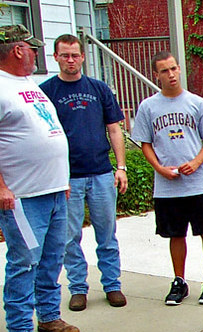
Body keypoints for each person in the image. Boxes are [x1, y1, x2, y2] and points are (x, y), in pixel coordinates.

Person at [0, 25, 80, 332]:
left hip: (53, 190)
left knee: (51, 257)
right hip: (21, 197)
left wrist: (61, 181)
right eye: (32, 49)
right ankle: (20, 328)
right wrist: (1, 186)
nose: (37, 54)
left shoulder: (28, 86)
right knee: (24, 260)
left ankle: (48, 316)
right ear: (18, 50)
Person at [40, 33, 128, 312]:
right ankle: (78, 288)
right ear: (55, 57)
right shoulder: (46, 92)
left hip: (101, 173)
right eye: (64, 55)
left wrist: (121, 167)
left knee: (107, 233)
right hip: (67, 178)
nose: (70, 60)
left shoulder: (99, 89)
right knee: (69, 238)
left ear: (82, 56)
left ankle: (112, 285)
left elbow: (114, 129)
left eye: (75, 55)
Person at [133, 51, 203, 306]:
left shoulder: (197, 103)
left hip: (198, 184)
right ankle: (179, 281)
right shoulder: (148, 107)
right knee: (175, 234)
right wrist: (159, 168)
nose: (170, 75)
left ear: (179, 69)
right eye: (164, 71)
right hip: (167, 187)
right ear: (156, 74)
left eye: (173, 69)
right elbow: (145, 144)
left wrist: (195, 163)